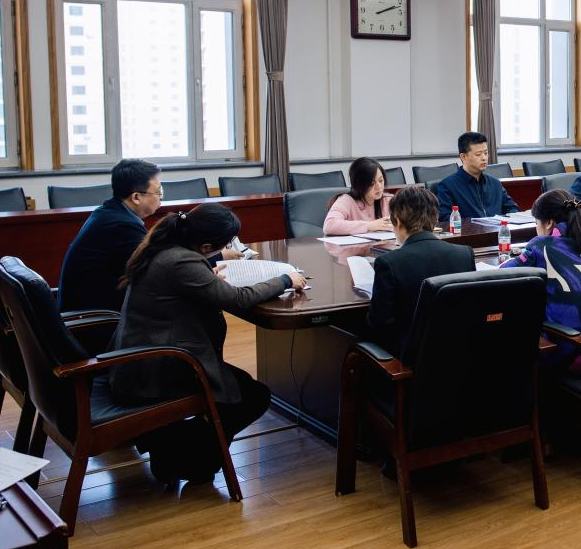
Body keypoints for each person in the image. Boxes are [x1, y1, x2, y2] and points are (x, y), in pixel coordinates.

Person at [109, 204, 306, 484]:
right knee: (252, 397)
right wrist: (285, 279)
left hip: (142, 361)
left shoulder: (165, 248)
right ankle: (189, 460)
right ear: (205, 247)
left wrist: (207, 279)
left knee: (242, 390)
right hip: (158, 370)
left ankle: (172, 450)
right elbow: (237, 299)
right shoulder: (181, 262)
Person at [57, 159, 239, 313]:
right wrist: (211, 265)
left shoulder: (110, 213)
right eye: (158, 192)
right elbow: (163, 269)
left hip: (93, 309)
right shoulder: (121, 227)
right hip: (96, 321)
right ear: (136, 197)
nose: (161, 198)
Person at [501, 189, 581, 367]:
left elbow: (504, 274)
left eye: (536, 222)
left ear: (549, 223)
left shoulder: (540, 246)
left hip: (567, 348)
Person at [367, 186, 475, 355]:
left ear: (397, 221)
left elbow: (380, 325)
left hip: (409, 358)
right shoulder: (464, 254)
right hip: (459, 351)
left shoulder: (388, 263)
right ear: (435, 219)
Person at [437, 132, 518, 221]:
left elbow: (512, 208)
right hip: (468, 230)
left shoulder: (495, 183)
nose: (484, 158)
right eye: (478, 154)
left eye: (486, 153)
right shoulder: (448, 186)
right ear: (463, 157)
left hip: (497, 229)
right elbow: (445, 218)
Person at [322, 157, 392, 235]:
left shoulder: (388, 200)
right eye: (372, 183)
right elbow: (329, 226)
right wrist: (369, 225)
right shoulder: (346, 201)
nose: (379, 187)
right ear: (359, 184)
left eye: (381, 180)